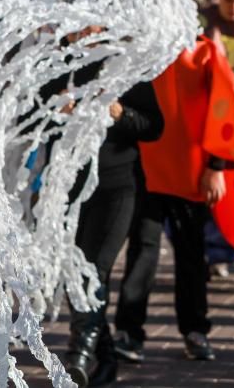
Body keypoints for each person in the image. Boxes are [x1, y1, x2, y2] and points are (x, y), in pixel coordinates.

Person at [114, 36, 234, 366]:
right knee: (143, 250)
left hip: (189, 170)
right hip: (147, 167)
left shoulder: (202, 51)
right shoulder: (140, 47)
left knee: (190, 255)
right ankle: (129, 332)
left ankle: (195, 330)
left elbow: (226, 106)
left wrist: (216, 166)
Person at [64, 78, 163, 387]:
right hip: (71, 188)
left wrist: (121, 114)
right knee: (76, 273)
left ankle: (80, 352)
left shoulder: (126, 67)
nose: (77, 32)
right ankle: (105, 359)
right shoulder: (65, 65)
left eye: (85, 26)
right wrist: (57, 110)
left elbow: (154, 126)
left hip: (119, 187)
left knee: (94, 269)